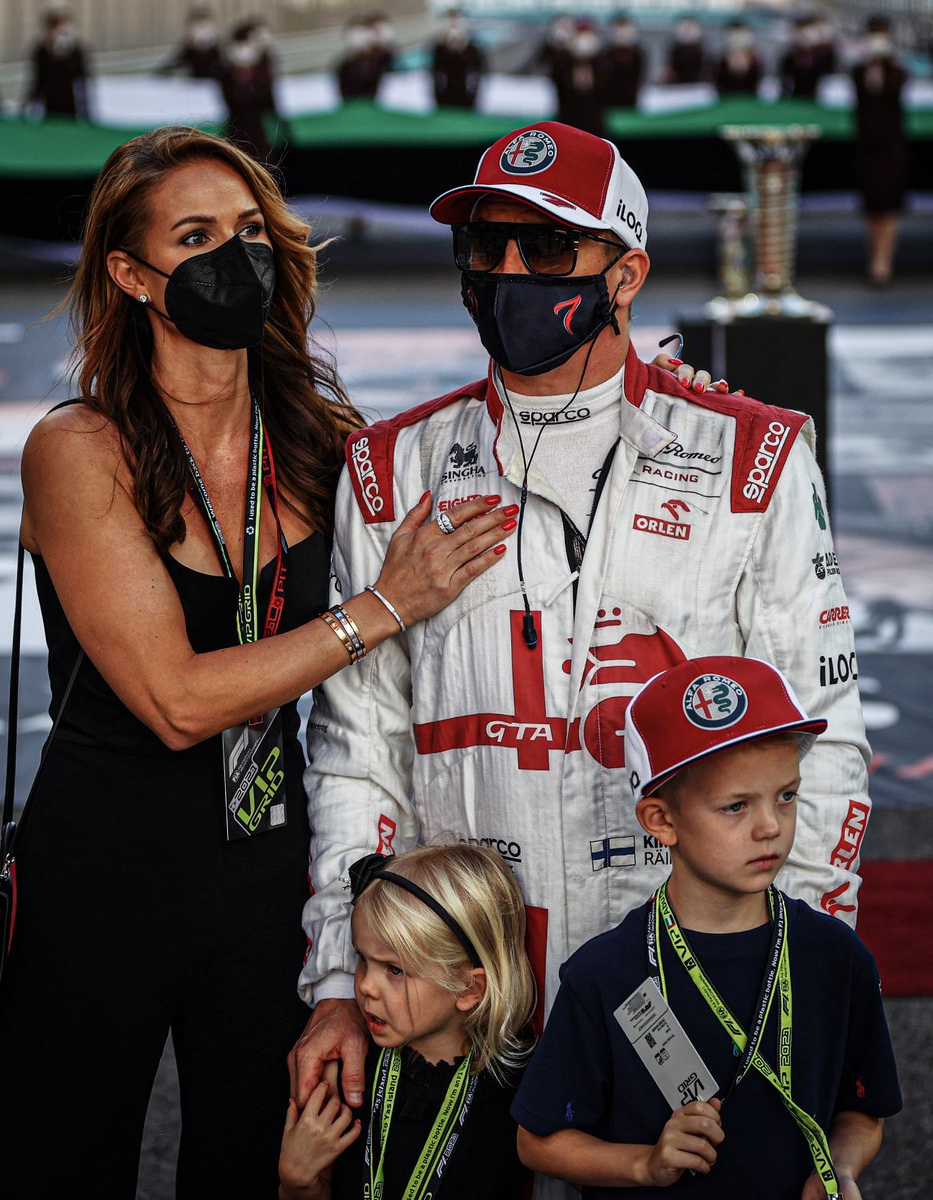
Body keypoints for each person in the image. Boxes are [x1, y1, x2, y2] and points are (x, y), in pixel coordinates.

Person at [293, 123, 873, 1184]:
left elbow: (821, 739)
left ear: (628, 272)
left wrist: (803, 968)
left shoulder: (753, 455)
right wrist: (342, 975)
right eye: (488, 246)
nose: (510, 273)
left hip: (681, 982)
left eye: (550, 249)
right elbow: (355, 754)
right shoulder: (391, 467)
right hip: (459, 989)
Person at [0, 124, 517, 1200]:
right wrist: (378, 608)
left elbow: (495, 473)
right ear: (131, 275)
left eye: (252, 231)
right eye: (196, 237)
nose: (238, 257)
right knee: (58, 1170)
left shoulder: (320, 439)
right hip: (101, 872)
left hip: (270, 875)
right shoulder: (80, 448)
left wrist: (651, 390)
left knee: (262, 1168)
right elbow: (177, 702)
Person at [513, 656, 901, 1197]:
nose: (770, 827)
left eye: (786, 795)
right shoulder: (605, 973)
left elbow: (862, 1112)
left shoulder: (836, 956)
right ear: (661, 820)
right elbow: (538, 1142)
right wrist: (644, 1164)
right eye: (736, 806)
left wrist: (839, 1168)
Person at [278, 844, 535, 1198]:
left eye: (394, 970)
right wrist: (297, 1182)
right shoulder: (351, 1070)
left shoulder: (519, 1092)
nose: (365, 986)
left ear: (467, 988)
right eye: (362, 959)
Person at [851, 16, 908, 287]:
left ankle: (883, 262)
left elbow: (894, 89)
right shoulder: (858, 71)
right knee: (872, 205)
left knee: (889, 205)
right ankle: (874, 256)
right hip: (866, 147)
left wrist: (883, 62)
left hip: (891, 147)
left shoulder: (897, 71)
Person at [219, 18, 278, 163]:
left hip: (259, 141)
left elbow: (269, 105)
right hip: (235, 139)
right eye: (240, 44)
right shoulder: (225, 76)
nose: (244, 50)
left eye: (248, 44)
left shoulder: (263, 77)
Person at [24, 7, 90, 119]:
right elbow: (38, 79)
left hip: (70, 103)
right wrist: (31, 103)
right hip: (50, 103)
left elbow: (81, 79)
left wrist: (85, 108)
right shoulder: (42, 50)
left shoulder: (75, 50)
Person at [431, 8, 485, 111]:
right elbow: (436, 76)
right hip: (444, 100)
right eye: (450, 21)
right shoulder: (439, 49)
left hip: (467, 100)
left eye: (457, 21)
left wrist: (473, 99)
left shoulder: (472, 49)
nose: (454, 25)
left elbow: (476, 77)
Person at [159, 5, 222, 79]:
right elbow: (171, 65)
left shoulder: (220, 48)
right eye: (198, 25)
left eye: (204, 26)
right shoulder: (186, 48)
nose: (202, 30)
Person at [604, 14, 644, 109]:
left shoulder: (638, 54)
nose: (622, 33)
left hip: (632, 102)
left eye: (625, 28)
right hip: (610, 103)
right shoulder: (606, 54)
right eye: (619, 28)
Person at [714, 20, 762, 97]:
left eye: (741, 35)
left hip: (750, 98)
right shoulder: (721, 59)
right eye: (734, 35)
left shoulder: (756, 59)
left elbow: (759, 83)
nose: (737, 39)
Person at [665, 15, 708, 86]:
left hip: (699, 86)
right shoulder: (675, 50)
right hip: (679, 87)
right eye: (684, 28)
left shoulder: (703, 50)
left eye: (690, 27)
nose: (687, 31)